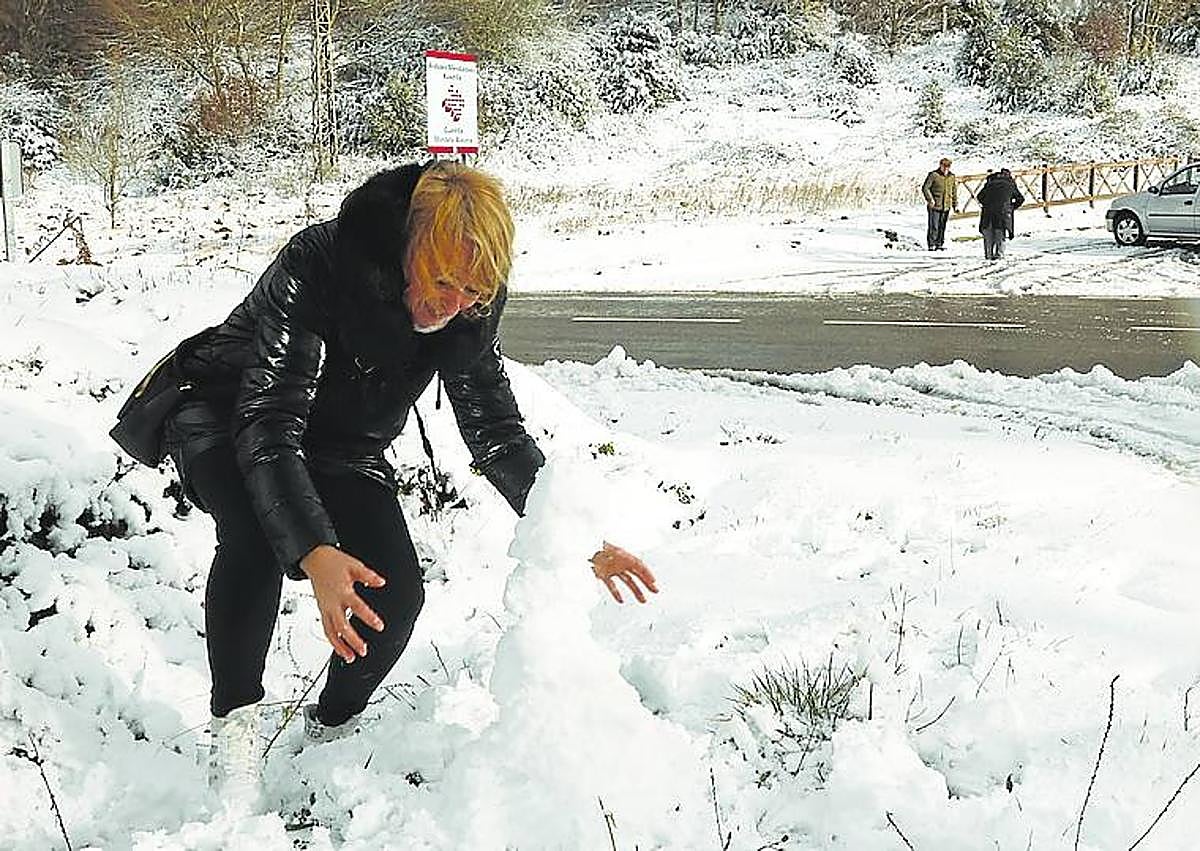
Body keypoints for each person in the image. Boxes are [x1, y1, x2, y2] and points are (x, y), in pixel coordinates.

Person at [108, 161, 658, 804]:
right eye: (442, 282)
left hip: (343, 443)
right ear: (407, 246)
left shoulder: (469, 301)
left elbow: (496, 429)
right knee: (257, 538)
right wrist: (315, 552)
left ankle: (331, 722)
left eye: (471, 296)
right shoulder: (321, 264)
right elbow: (269, 423)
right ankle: (235, 727)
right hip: (230, 413)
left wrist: (574, 535)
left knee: (397, 596)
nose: (451, 307)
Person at [976, 167, 1024, 261]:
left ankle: (988, 256)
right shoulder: (1010, 184)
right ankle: (999, 256)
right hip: (1002, 214)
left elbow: (980, 196)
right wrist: (1011, 207)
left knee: (988, 237)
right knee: (1000, 236)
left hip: (988, 214)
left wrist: (987, 204)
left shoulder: (990, 182)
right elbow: (1020, 199)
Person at [921, 157, 959, 251]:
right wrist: (930, 199)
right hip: (935, 205)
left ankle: (939, 243)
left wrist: (955, 205)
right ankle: (931, 244)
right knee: (934, 226)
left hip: (946, 205)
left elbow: (954, 191)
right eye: (944, 166)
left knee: (942, 226)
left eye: (948, 166)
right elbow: (925, 188)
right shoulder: (933, 175)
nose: (946, 168)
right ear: (940, 165)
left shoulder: (951, 177)